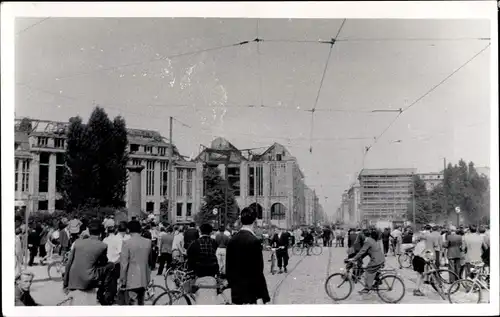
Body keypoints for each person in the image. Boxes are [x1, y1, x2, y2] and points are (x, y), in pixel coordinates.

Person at [226, 207, 270, 305]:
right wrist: (261, 295)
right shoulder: (254, 241)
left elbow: (228, 269)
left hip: (236, 293)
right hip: (251, 294)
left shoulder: (232, 240)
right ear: (254, 222)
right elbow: (258, 271)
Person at [63, 219, 111, 305]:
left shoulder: (77, 242)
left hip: (73, 279)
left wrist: (65, 283)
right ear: (100, 233)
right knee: (111, 264)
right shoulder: (103, 245)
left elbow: (69, 263)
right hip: (88, 279)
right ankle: (103, 291)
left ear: (88, 231)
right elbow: (103, 262)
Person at [120, 220, 154, 305]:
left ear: (128, 230)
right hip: (144, 277)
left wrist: (122, 280)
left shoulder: (126, 243)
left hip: (131, 278)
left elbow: (124, 264)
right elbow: (150, 261)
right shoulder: (148, 242)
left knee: (133, 303)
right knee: (141, 302)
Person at [349, 228, 385, 294]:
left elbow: (362, 251)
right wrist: (358, 258)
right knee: (372, 270)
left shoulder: (368, 241)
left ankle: (367, 288)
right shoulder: (372, 240)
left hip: (376, 260)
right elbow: (365, 253)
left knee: (368, 270)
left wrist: (354, 258)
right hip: (380, 259)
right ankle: (378, 280)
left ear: (364, 236)